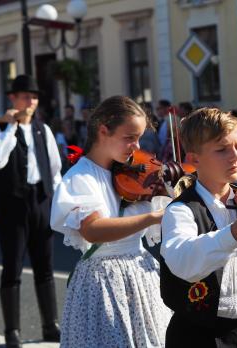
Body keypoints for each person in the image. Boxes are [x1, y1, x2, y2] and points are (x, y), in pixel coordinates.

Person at [50, 95, 172, 347]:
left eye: (138, 138)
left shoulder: (128, 172)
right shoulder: (81, 177)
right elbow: (93, 230)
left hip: (140, 273)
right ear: (103, 130)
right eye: (129, 138)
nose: (136, 148)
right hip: (103, 280)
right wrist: (151, 216)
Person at [161, 107, 237, 347]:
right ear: (194, 158)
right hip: (199, 335)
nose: (235, 156)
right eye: (221, 150)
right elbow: (182, 261)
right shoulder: (181, 210)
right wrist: (235, 234)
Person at [0, 75, 62, 348]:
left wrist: (58, 202)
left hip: (40, 200)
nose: (31, 101)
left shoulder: (44, 130)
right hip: (12, 205)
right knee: (12, 267)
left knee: (45, 267)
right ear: (13, 99)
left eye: (34, 97)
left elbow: (54, 170)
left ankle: (51, 325)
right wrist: (10, 128)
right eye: (26, 96)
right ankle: (11, 331)